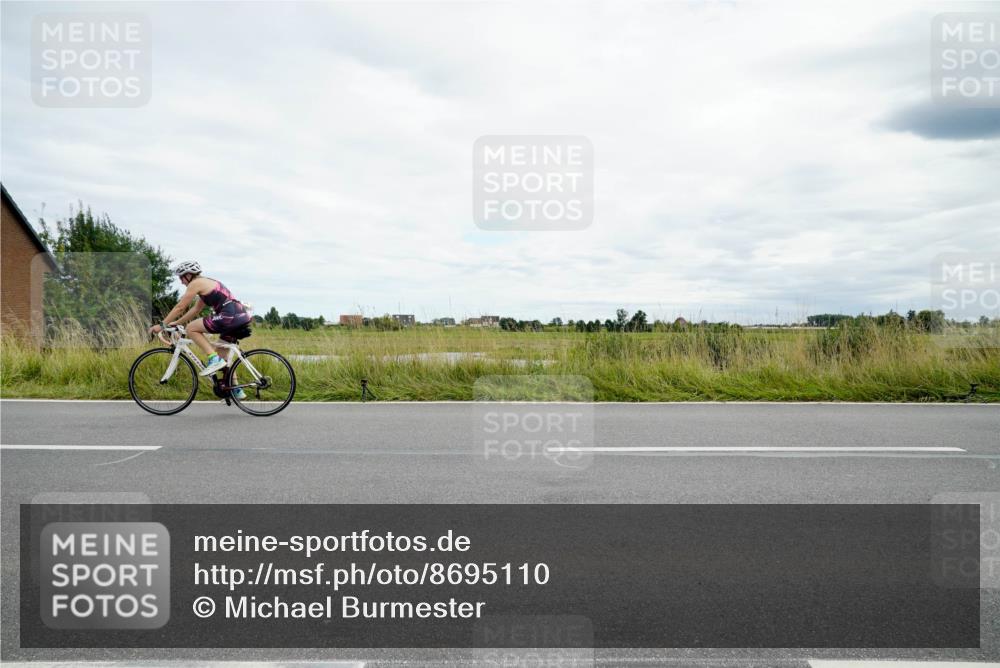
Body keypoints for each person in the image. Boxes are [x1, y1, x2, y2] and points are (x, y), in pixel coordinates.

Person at [149, 261, 252, 397]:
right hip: (238, 316)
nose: (181, 282)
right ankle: (236, 390)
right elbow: (196, 309)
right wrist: (177, 323)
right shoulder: (206, 284)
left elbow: (180, 307)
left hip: (229, 316)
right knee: (223, 357)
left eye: (181, 277)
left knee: (192, 328)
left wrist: (161, 325)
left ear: (189, 275)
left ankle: (213, 359)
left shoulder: (196, 283)